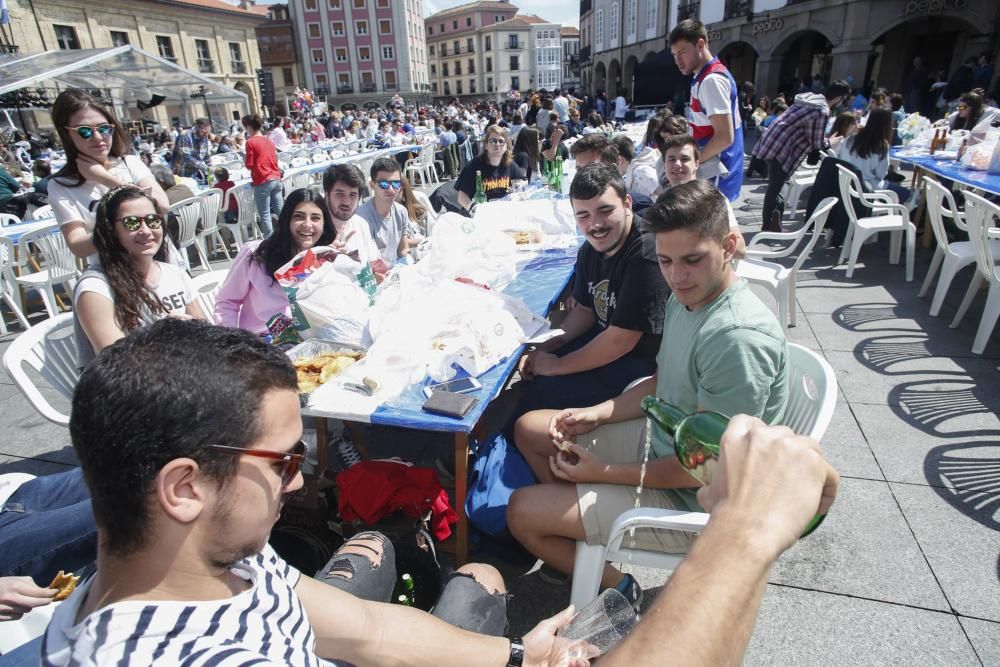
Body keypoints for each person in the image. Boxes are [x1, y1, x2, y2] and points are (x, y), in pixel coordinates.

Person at [44, 317, 584, 666]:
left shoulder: (211, 560)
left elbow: (369, 630)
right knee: (481, 579)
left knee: (421, 559)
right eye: (284, 461)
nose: (301, 481)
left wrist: (519, 656)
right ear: (185, 487)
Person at [508, 179, 789, 607]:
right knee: (532, 428)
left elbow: (706, 469)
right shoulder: (689, 295)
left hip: (697, 496)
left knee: (521, 513)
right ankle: (583, 529)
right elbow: (666, 379)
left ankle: (618, 585)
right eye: (665, 260)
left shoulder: (736, 338)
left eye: (692, 259)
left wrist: (600, 474)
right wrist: (599, 413)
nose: (676, 275)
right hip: (664, 441)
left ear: (729, 245)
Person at [507, 163, 668, 449]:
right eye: (584, 215)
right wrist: (546, 349)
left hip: (641, 366)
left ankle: (510, 457)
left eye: (605, 210)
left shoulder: (645, 254)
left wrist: (557, 366)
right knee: (531, 372)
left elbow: (621, 340)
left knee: (544, 389)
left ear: (627, 203)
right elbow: (584, 311)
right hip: (607, 341)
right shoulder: (590, 249)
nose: (595, 224)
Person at [72, 186, 204, 367]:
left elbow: (205, 329)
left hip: (181, 373)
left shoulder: (173, 273)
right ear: (110, 230)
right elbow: (117, 363)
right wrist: (165, 336)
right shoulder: (95, 288)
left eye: (153, 220)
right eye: (131, 223)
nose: (146, 230)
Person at [48, 89, 169, 261]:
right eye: (85, 131)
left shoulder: (130, 163)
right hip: (115, 273)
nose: (98, 137)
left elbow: (162, 206)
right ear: (66, 134)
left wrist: (110, 181)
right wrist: (121, 229)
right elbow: (78, 246)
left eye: (104, 128)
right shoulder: (62, 184)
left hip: (160, 261)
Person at [214, 188, 337, 336]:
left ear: (324, 225)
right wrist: (234, 341)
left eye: (315, 218)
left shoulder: (326, 260)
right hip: (260, 346)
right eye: (299, 216)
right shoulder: (256, 255)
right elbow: (227, 302)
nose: (307, 224)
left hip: (312, 343)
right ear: (287, 220)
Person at [752, 80, 850, 232]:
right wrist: (830, 141)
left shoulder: (810, 100)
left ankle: (774, 221)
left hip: (772, 141)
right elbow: (816, 142)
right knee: (775, 187)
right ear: (839, 98)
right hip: (781, 148)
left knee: (777, 185)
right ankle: (768, 226)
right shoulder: (821, 110)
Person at [669, 19, 744, 201]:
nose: (677, 60)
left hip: (716, 175)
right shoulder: (705, 77)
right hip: (714, 172)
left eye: (682, 52)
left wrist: (693, 162)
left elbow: (725, 137)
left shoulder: (711, 81)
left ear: (700, 44)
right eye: (674, 54)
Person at [660, 134, 746, 259]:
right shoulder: (663, 200)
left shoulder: (712, 199)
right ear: (664, 165)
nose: (678, 164)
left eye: (684, 159)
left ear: (696, 164)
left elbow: (740, 250)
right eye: (672, 159)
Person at [836, 108, 911, 205]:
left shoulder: (852, 137)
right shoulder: (882, 145)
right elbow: (881, 174)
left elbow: (842, 156)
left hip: (845, 183)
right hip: (866, 189)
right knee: (907, 194)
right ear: (887, 125)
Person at [356, 157, 418, 263]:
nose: (390, 189)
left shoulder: (401, 211)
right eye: (384, 184)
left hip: (395, 270)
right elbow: (369, 261)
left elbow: (402, 250)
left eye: (395, 184)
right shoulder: (362, 217)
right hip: (374, 273)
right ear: (372, 185)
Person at [454, 125, 525, 210]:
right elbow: (461, 197)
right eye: (493, 141)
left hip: (504, 210)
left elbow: (522, 183)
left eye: (501, 141)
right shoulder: (473, 166)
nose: (497, 144)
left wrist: (515, 190)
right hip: (482, 212)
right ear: (486, 145)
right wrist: (473, 209)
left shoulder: (510, 164)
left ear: (506, 146)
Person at [322, 163, 380, 264]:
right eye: (340, 194)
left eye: (353, 195)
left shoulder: (361, 224)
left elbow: (373, 263)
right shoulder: (315, 231)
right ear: (327, 195)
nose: (346, 202)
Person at [242, 114, 283, 238]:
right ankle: (290, 233)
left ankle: (269, 240)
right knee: (281, 210)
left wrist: (244, 158)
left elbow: (249, 164)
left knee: (264, 213)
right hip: (275, 177)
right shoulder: (268, 140)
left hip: (263, 179)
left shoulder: (250, 142)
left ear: (249, 127)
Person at [171, 118, 213, 184]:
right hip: (182, 172)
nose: (205, 135)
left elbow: (206, 155)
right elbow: (186, 157)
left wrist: (210, 167)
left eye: (207, 133)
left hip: (194, 172)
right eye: (203, 132)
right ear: (196, 128)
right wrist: (204, 167)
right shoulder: (185, 136)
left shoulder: (204, 136)